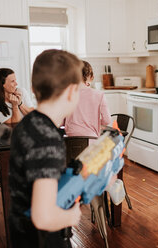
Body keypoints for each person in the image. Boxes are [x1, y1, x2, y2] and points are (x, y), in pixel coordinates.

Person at [8, 49, 83, 247]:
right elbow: (44, 218)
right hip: (41, 240)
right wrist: (72, 216)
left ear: (33, 88)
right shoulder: (48, 139)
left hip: (20, 232)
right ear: (70, 93)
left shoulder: (26, 124)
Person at [64, 61, 111, 138]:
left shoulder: (67, 94)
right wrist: (95, 123)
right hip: (91, 139)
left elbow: (62, 121)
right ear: (91, 77)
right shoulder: (99, 95)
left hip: (70, 139)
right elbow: (107, 120)